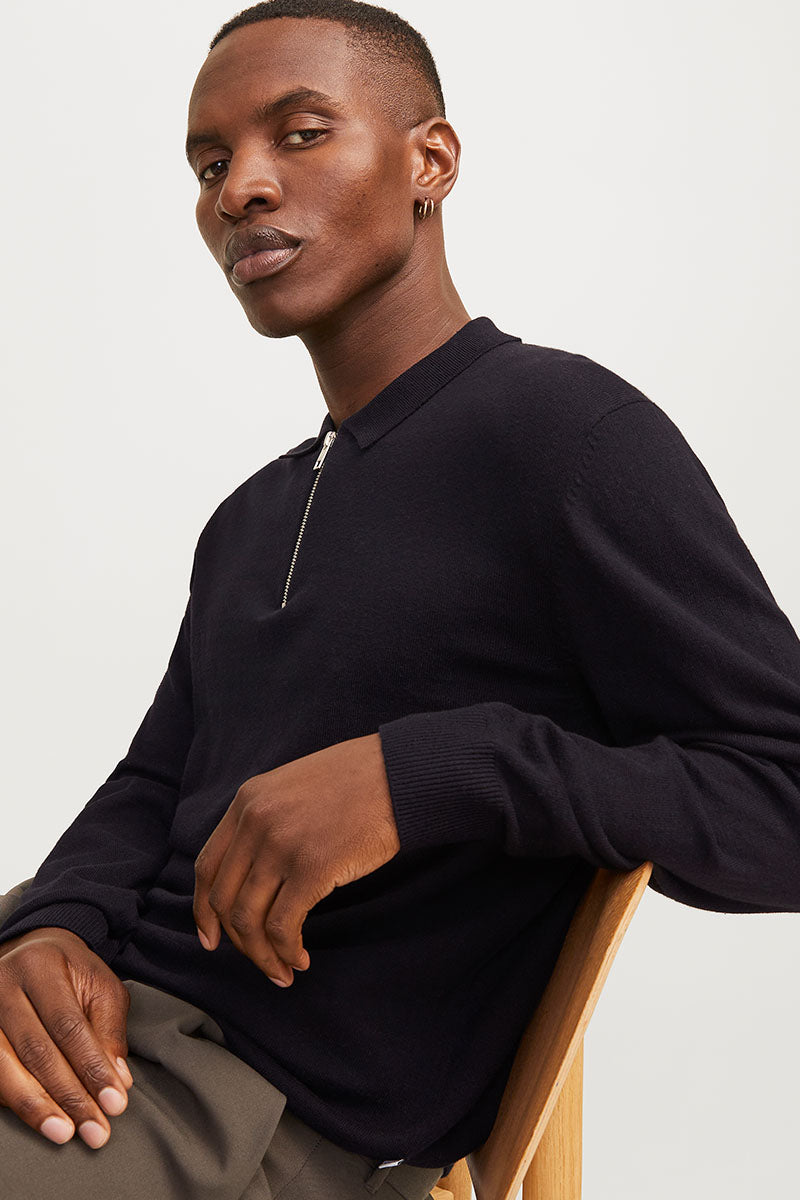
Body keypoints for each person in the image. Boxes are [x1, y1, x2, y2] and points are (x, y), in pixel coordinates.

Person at [2, 0, 800, 1196]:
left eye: (299, 134)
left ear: (430, 161)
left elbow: (781, 798)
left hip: (244, 1107)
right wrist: (50, 923)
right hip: (100, 1026)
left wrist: (426, 773)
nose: (238, 190)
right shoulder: (250, 517)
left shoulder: (563, 434)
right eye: (209, 165)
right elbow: (153, 784)